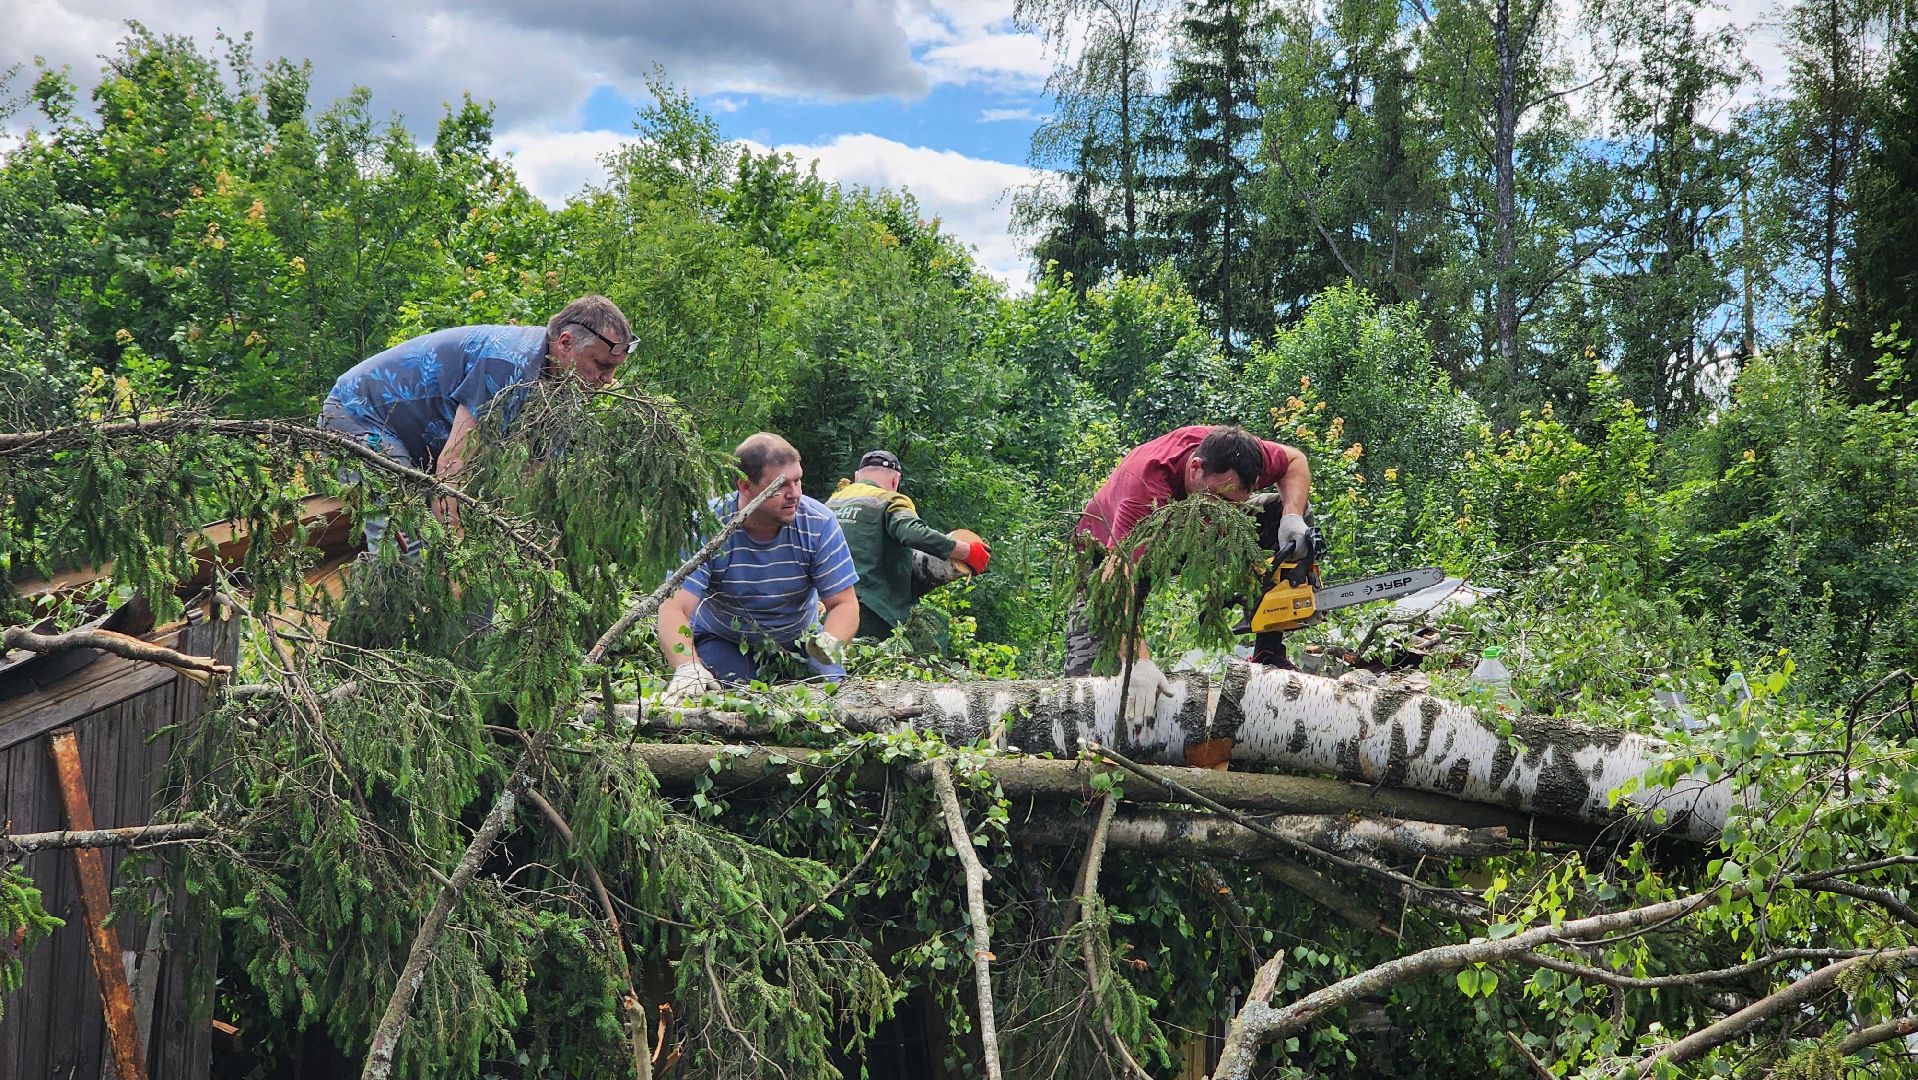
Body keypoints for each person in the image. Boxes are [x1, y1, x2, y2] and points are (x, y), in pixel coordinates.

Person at [319, 294, 634, 550]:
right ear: (565, 343)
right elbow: (453, 463)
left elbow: (532, 477)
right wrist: (457, 553)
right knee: (410, 546)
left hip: (418, 446)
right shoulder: (507, 364)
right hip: (359, 416)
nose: (608, 380)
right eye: (601, 365)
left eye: (615, 369)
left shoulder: (566, 389)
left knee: (478, 569)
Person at [1068, 424, 1312, 719]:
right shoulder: (1144, 487)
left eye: (1236, 503)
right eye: (1219, 500)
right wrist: (1138, 661)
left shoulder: (1240, 453)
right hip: (1108, 553)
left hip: (1188, 528)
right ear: (1196, 468)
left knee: (1286, 513)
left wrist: (1292, 517)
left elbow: (1295, 460)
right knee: (1087, 677)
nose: (1228, 513)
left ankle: (1268, 649)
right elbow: (1116, 579)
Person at [656, 434, 861, 702]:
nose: (795, 494)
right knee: (735, 703)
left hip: (800, 642)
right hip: (725, 639)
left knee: (828, 700)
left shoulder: (818, 523)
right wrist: (687, 666)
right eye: (780, 485)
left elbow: (844, 604)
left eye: (797, 480)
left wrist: (830, 643)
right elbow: (673, 607)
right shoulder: (708, 525)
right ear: (745, 485)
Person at [825, 449, 991, 640]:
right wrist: (967, 551)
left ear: (856, 477)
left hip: (831, 609)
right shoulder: (890, 499)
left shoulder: (831, 504)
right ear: (896, 481)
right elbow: (912, 533)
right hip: (874, 610)